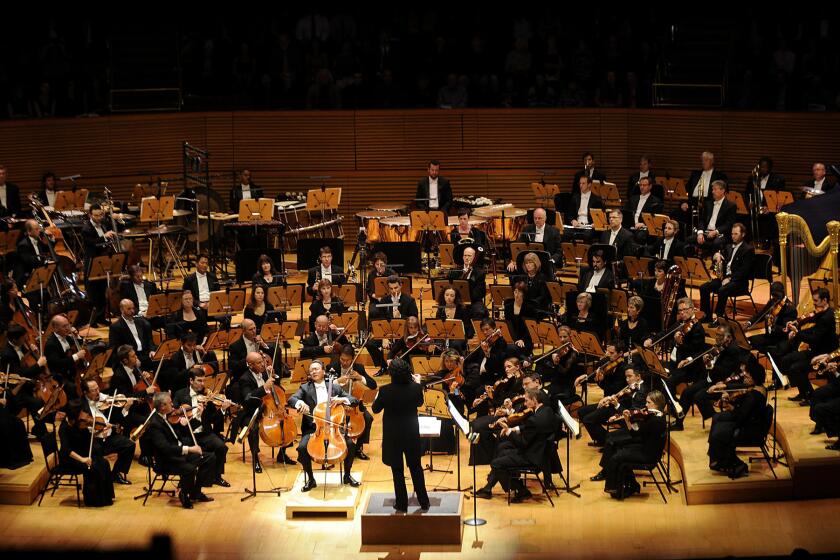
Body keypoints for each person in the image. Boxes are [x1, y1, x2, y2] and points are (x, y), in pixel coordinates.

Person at [474, 388, 559, 502]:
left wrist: (508, 431)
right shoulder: (546, 411)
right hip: (540, 453)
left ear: (534, 400)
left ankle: (522, 491)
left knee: (496, 463)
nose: (525, 403)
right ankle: (488, 488)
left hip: (531, 457)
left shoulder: (534, 419)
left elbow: (522, 443)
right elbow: (532, 429)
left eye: (527, 400)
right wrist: (515, 429)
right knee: (502, 451)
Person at [289, 360, 361, 492]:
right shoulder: (305, 388)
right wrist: (300, 403)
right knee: (302, 448)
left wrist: (342, 399)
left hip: (335, 429)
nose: (313, 372)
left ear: (323, 371)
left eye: (316, 369)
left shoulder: (334, 387)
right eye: (311, 370)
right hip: (314, 428)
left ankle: (347, 475)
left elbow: (354, 400)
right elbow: (291, 399)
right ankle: (310, 479)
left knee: (350, 445)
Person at [372, 358, 430, 513]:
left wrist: (378, 394)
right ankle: (424, 502)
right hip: (411, 434)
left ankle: (402, 504)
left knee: (397, 470)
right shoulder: (416, 388)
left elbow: (375, 409)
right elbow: (419, 403)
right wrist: (417, 383)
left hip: (393, 436)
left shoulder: (384, 391)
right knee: (416, 467)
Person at [144, 391, 216, 509]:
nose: (173, 406)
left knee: (209, 458)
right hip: (167, 460)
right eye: (170, 403)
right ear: (162, 406)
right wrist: (190, 449)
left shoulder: (167, 416)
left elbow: (185, 432)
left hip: (178, 453)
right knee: (190, 469)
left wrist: (197, 415)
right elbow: (166, 448)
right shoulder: (155, 424)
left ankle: (195, 492)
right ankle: (184, 494)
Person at [597, 390, 667, 500]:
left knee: (616, 457)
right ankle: (631, 485)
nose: (646, 405)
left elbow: (635, 434)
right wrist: (628, 419)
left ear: (656, 404)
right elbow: (637, 433)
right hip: (648, 448)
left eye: (648, 403)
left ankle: (615, 489)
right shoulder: (660, 416)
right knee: (619, 450)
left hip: (648, 455)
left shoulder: (654, 421)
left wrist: (628, 420)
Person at [779, 288, 839, 404]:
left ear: (824, 300)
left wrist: (797, 333)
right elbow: (813, 329)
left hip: (824, 355)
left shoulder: (828, 317)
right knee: (787, 359)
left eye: (816, 301)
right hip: (815, 351)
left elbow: (814, 338)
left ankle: (810, 396)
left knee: (796, 368)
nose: (814, 303)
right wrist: (796, 329)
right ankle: (803, 392)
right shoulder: (821, 313)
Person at [173, 369, 231, 487]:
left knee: (222, 447)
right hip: (187, 434)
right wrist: (185, 418)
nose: (202, 384)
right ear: (191, 380)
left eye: (204, 381)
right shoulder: (180, 394)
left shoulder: (207, 397)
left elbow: (213, 419)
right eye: (199, 381)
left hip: (204, 433)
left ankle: (216, 477)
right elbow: (174, 414)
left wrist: (223, 410)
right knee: (193, 454)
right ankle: (188, 480)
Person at [707, 366, 768, 479]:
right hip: (748, 420)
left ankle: (732, 462)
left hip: (749, 428)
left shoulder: (754, 396)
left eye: (748, 375)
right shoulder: (757, 389)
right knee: (717, 418)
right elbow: (743, 409)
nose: (744, 376)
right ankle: (716, 458)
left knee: (718, 433)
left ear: (754, 378)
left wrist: (728, 405)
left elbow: (740, 416)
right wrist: (730, 400)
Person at [58, 402, 115, 506]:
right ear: (74, 417)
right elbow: (66, 450)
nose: (84, 418)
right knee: (94, 466)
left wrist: (100, 431)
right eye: (80, 414)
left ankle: (105, 497)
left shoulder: (78, 423)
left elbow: (87, 439)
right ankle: (93, 500)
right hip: (71, 459)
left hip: (82, 453)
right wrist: (82, 459)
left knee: (104, 463)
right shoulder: (64, 428)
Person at [80, 379, 136, 486]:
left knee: (129, 445)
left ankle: (115, 474)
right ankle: (100, 477)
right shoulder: (80, 405)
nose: (98, 392)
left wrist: (126, 406)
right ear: (85, 393)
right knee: (97, 454)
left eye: (98, 388)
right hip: (92, 441)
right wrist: (98, 431)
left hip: (108, 438)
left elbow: (118, 417)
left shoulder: (104, 398)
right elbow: (81, 429)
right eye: (93, 390)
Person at [578, 367, 649, 448]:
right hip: (614, 406)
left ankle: (606, 442)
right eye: (626, 377)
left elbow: (631, 413)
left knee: (588, 419)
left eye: (630, 376)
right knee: (582, 411)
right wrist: (608, 398)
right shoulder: (632, 386)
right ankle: (602, 439)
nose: (627, 379)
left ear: (638, 376)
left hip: (620, 411)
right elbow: (621, 396)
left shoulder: (640, 392)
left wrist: (616, 405)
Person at [698, 223, 754, 323]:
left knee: (722, 290)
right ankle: (706, 316)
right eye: (732, 234)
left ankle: (719, 318)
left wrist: (730, 279)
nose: (733, 236)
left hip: (739, 282)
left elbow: (744, 271)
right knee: (704, 287)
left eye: (736, 234)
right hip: (724, 279)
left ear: (743, 234)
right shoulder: (728, 247)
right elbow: (718, 259)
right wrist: (716, 255)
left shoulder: (748, 249)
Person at [329, 346, 378, 461]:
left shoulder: (358, 368)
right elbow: (326, 386)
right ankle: (337, 446)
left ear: (352, 359)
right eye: (342, 359)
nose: (345, 362)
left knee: (368, 418)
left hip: (355, 405)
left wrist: (360, 377)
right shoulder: (333, 367)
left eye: (348, 360)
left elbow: (373, 385)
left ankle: (358, 448)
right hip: (337, 404)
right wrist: (337, 381)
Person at [81, 203, 118, 325]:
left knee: (102, 290)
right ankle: (93, 320)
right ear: (90, 215)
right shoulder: (86, 229)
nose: (98, 218)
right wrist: (104, 237)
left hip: (103, 262)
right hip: (92, 263)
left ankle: (102, 317)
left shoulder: (104, 224)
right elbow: (92, 244)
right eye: (96, 215)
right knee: (93, 293)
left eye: (100, 215)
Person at [687, 180, 737, 256]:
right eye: (712, 189)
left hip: (720, 234)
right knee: (689, 239)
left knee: (717, 243)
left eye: (715, 189)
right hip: (706, 233)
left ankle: (714, 263)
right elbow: (702, 220)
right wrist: (700, 233)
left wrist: (716, 231)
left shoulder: (731, 205)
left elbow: (729, 224)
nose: (712, 192)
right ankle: (694, 262)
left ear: (722, 190)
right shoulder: (708, 203)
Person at [745, 281, 796, 355]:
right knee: (748, 341)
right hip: (769, 336)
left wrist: (772, 325)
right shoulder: (772, 302)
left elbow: (785, 330)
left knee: (756, 345)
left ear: (783, 292)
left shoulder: (790, 309)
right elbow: (761, 314)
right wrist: (749, 323)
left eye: (777, 295)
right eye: (773, 295)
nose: (775, 298)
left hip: (779, 339)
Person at [109, 299, 156, 370]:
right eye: (129, 309)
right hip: (131, 357)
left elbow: (149, 339)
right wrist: (132, 359)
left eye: (133, 308)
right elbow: (116, 349)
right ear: (121, 310)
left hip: (146, 354)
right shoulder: (115, 327)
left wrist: (152, 350)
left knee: (165, 363)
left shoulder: (141, 322)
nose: (132, 311)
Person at [449, 246, 488, 319]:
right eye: (465, 255)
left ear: (474, 257)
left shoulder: (479, 273)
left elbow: (480, 292)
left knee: (479, 311)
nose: (466, 258)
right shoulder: (455, 271)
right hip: (456, 300)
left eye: (469, 256)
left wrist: (467, 299)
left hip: (473, 301)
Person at [563, 175, 603, 241]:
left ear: (589, 184)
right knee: (564, 233)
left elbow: (600, 217)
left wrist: (595, 223)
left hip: (589, 227)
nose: (581, 185)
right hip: (577, 225)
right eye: (580, 183)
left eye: (583, 183)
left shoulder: (596, 200)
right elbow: (569, 214)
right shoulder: (575, 197)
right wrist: (573, 221)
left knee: (587, 235)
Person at [625, 176, 664, 244]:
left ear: (650, 186)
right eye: (640, 185)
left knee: (639, 236)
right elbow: (625, 212)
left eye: (644, 185)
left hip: (645, 228)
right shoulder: (633, 199)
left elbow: (655, 219)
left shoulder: (656, 201)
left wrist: (643, 224)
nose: (642, 187)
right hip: (631, 226)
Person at [434, 286, 473, 353]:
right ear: (443, 296)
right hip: (444, 335)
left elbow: (467, 326)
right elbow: (438, 326)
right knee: (438, 344)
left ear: (455, 297)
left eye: (452, 296)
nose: (449, 297)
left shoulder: (462, 309)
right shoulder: (441, 309)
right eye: (447, 295)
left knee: (455, 344)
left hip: (458, 336)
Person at [14, 220, 50, 287]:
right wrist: (46, 264)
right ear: (29, 231)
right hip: (25, 279)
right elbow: (31, 262)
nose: (39, 230)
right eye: (36, 229)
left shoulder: (38, 240)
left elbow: (47, 250)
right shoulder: (23, 245)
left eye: (39, 228)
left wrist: (50, 239)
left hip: (35, 274)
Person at [504, 281, 534, 359]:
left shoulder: (529, 308)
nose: (516, 294)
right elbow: (508, 326)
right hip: (512, 338)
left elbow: (530, 329)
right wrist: (513, 339)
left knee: (516, 350)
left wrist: (522, 340)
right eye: (515, 291)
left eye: (519, 292)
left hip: (525, 339)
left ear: (523, 294)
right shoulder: (508, 307)